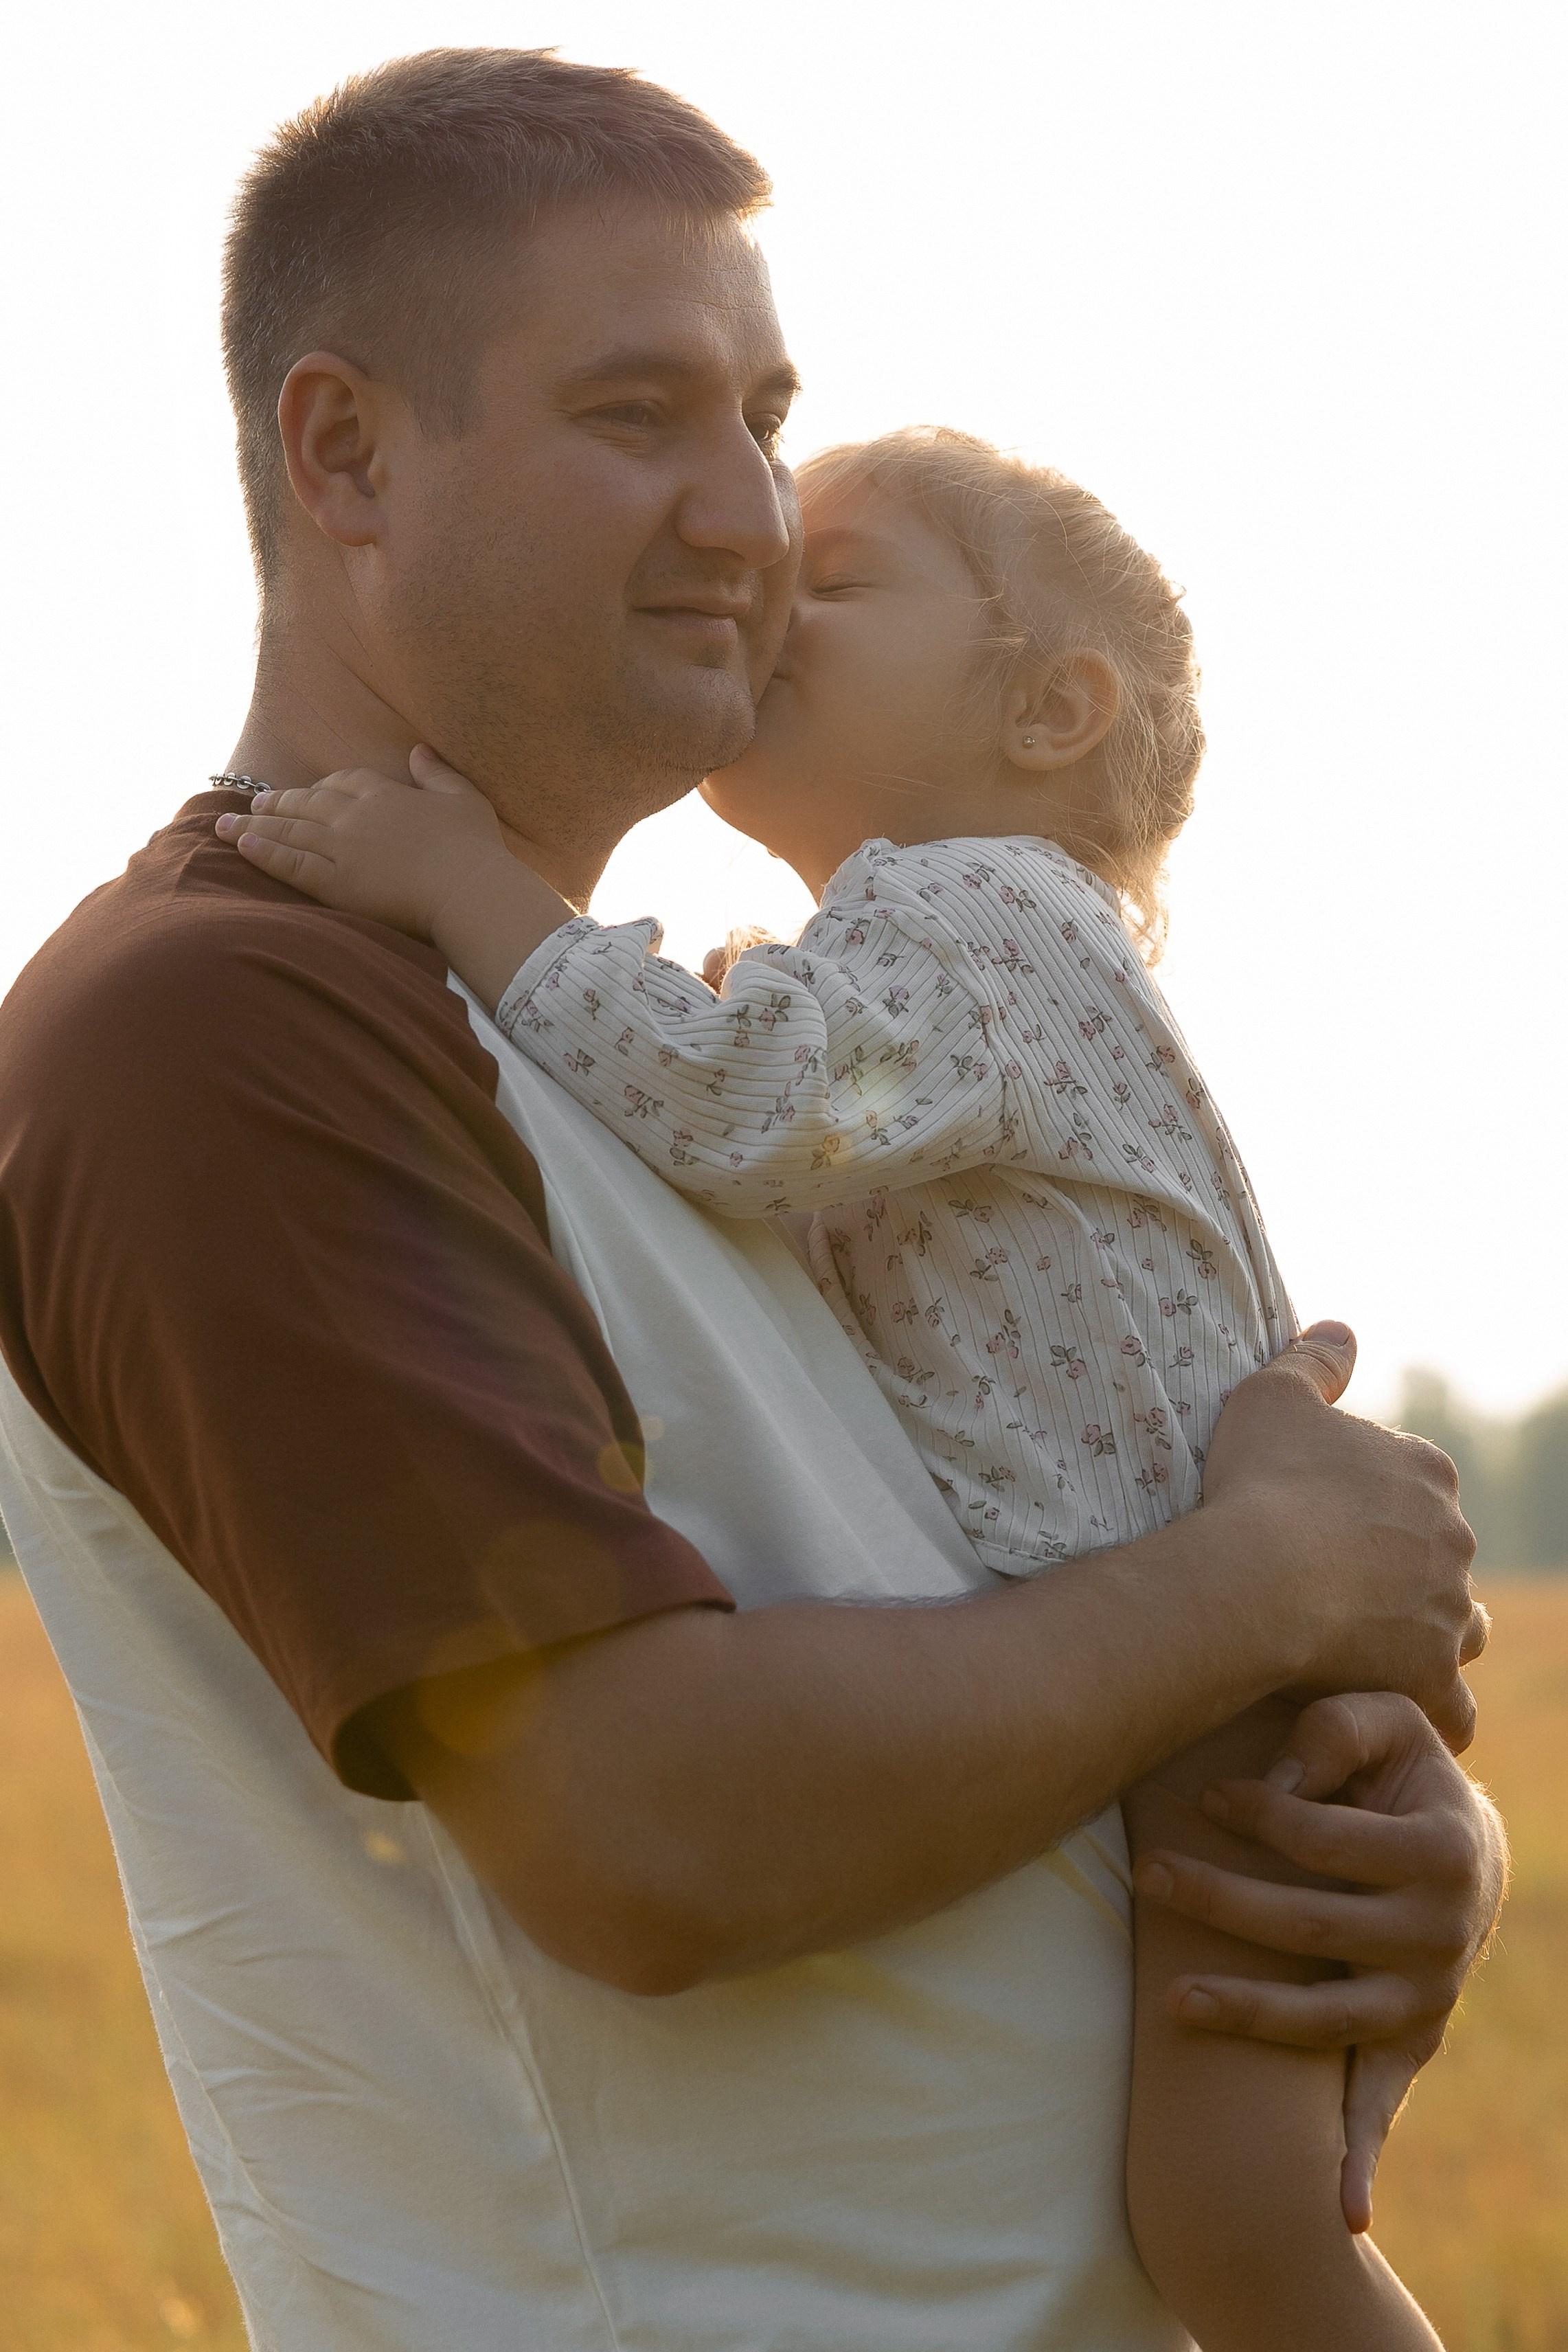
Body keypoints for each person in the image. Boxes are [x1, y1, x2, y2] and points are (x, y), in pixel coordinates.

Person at [0, 48, 1499, 2352]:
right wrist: (1251, 1590)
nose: (751, 513)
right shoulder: (227, 1027)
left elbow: (956, 1604)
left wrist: (1368, 1848)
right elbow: (650, 1834)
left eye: (764, 417)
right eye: (633, 416)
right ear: (342, 454)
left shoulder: (669, 1046)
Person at [225, 424, 1446, 2347]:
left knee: (1244, 2235)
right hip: (1202, 1675)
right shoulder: (929, 955)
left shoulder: (981, 916)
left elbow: (734, 1102)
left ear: (1049, 705)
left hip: (1217, 1709)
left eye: (843, 574)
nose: (771, 591)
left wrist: (458, 878)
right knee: (1232, 2216)